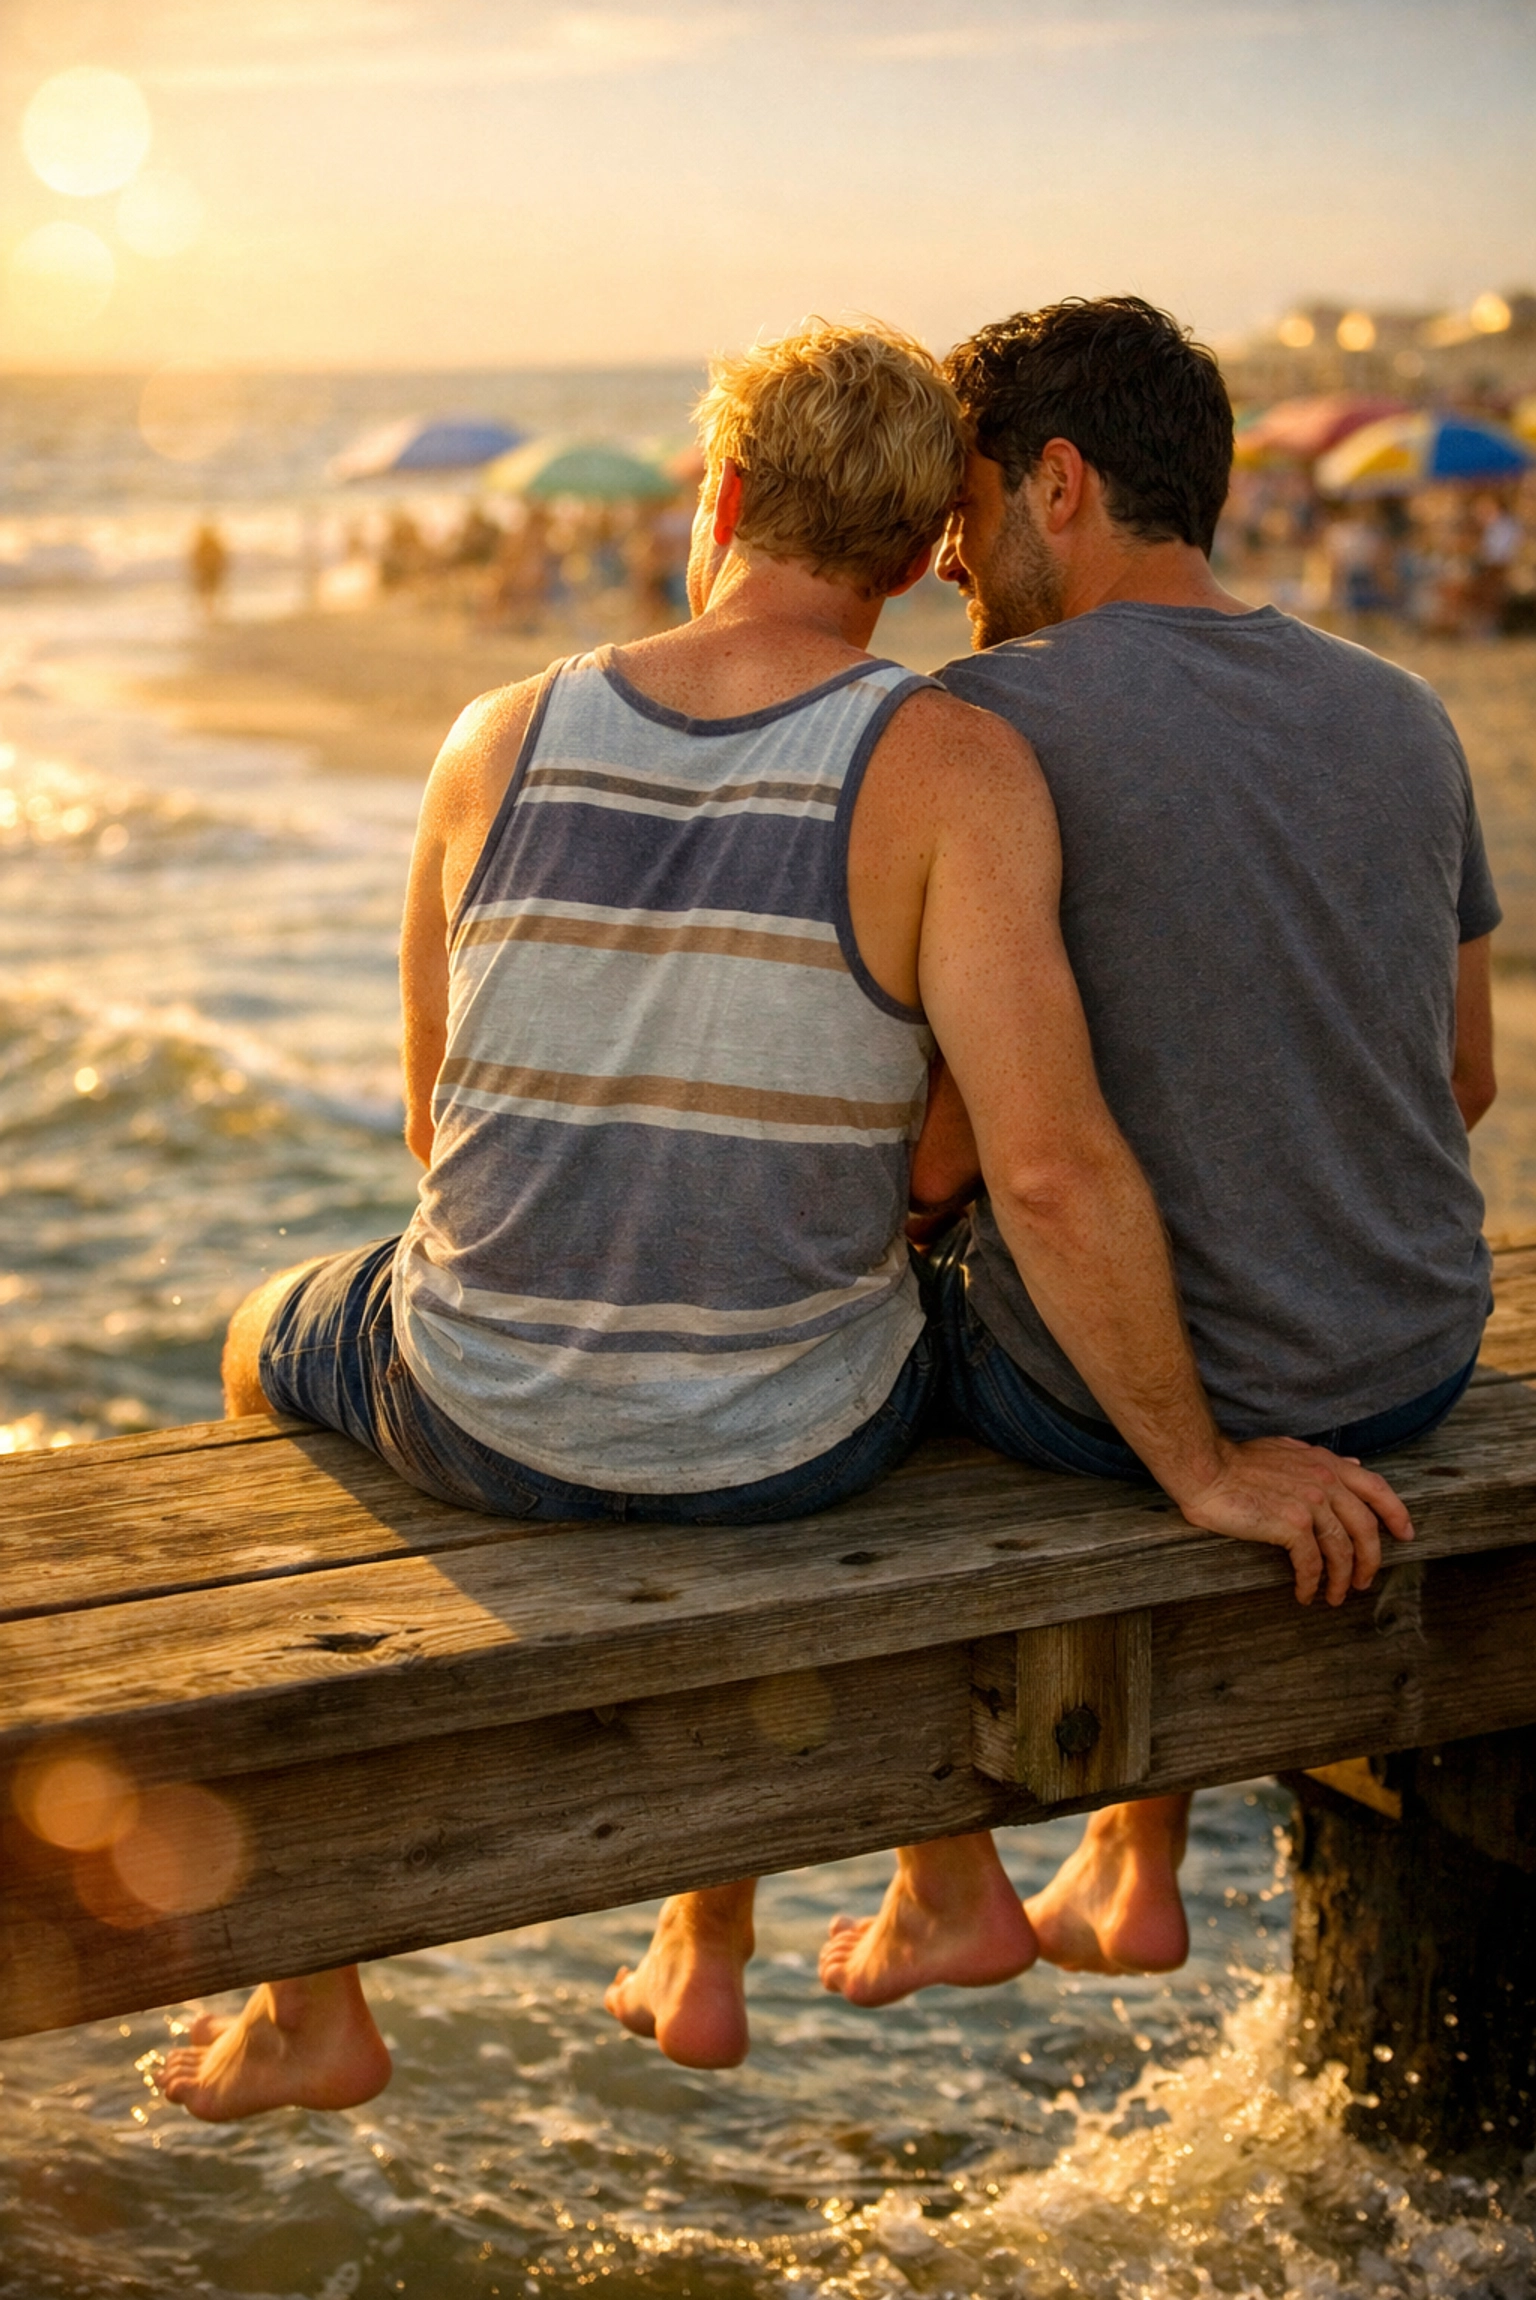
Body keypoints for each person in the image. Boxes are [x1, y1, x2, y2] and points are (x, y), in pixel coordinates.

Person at [158, 318, 1405, 2120]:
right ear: (917, 559)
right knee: (885, 1294)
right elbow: (1035, 1169)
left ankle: (306, 2001)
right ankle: (887, 1890)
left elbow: (441, 1129)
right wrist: (1203, 1467)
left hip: (474, 1412)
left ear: (720, 496)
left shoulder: (493, 735)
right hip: (795, 1444)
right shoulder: (953, 763)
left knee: (259, 1343)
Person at [817, 297, 1494, 2007]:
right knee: (1177, 1167)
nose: (952, 564)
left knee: (858, 1311)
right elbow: (1465, 1077)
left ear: (1060, 485)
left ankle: (940, 1883)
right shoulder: (1403, 709)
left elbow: (976, 1158)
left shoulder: (980, 726)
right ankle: (1135, 1854)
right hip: (1409, 1358)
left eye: (966, 514)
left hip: (1139, 1405)